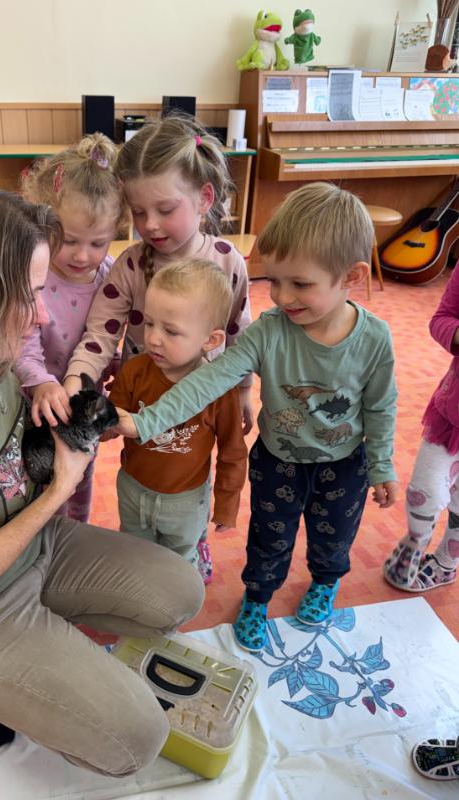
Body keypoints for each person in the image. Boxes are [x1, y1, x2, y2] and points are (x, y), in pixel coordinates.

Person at [0, 182, 204, 774]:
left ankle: (39, 641)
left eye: (40, 292)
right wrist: (59, 491)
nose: (42, 316)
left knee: (181, 593)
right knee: (137, 739)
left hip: (35, 547)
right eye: (26, 296)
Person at [114, 182, 398, 652]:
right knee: (269, 537)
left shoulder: (374, 339)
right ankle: (258, 598)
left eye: (300, 284)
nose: (281, 296)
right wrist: (145, 422)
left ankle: (325, 582)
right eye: (275, 280)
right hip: (278, 461)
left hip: (345, 465)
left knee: (334, 538)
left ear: (351, 276)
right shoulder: (269, 333)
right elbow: (209, 380)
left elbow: (381, 406)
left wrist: (383, 464)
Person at [63, 114, 254, 581]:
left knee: (191, 470)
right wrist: (76, 380)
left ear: (204, 198)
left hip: (205, 403)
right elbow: (100, 333)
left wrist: (245, 391)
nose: (149, 225)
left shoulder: (228, 262)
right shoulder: (131, 265)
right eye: (138, 212)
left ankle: (192, 539)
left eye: (165, 209)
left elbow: (240, 337)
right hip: (142, 398)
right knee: (146, 469)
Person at [108, 259, 248, 583]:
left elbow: (232, 452)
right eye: (150, 323)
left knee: (179, 565)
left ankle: (178, 594)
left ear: (210, 340)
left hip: (186, 501)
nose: (153, 338)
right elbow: (113, 421)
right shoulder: (134, 371)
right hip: (133, 489)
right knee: (135, 555)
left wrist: (227, 504)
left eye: (170, 331)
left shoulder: (220, 391)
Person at [15, 133, 127, 522]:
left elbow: (105, 334)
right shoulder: (34, 277)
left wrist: (116, 364)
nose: (83, 255)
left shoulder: (110, 274)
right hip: (35, 404)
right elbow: (22, 346)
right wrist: (42, 384)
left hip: (81, 407)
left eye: (98, 243)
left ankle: (75, 533)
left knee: (80, 473)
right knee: (37, 481)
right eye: (69, 240)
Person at [383, 262, 459, 592]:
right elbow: (442, 318)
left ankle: (446, 563)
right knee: (424, 493)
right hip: (452, 414)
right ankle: (415, 542)